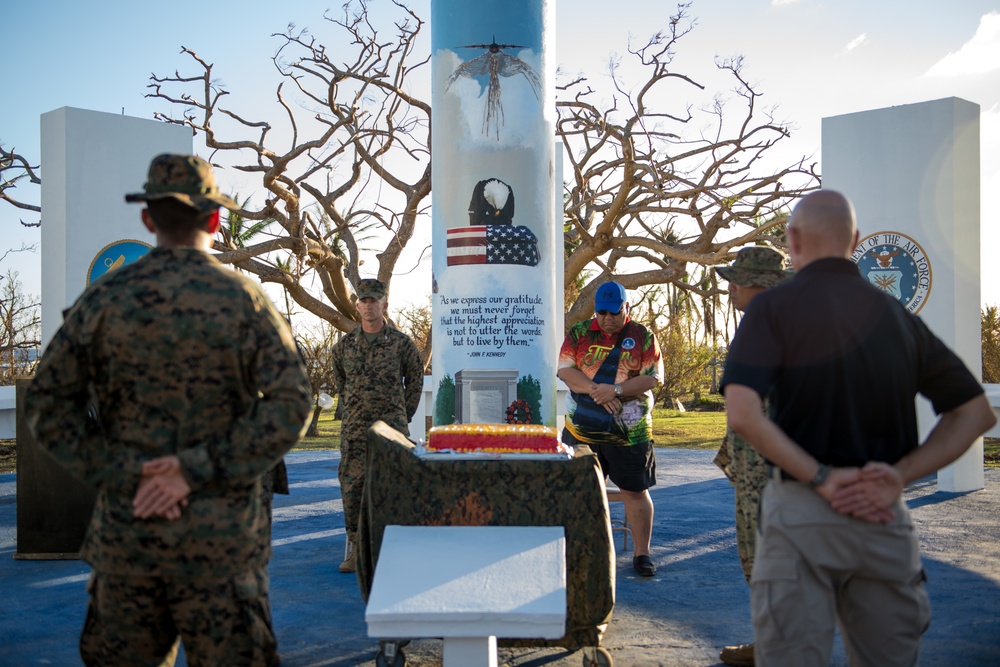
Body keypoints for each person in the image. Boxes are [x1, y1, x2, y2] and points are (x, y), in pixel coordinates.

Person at [24, 153, 312, 667]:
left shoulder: (104, 299)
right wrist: (193, 470)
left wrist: (127, 474)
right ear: (216, 219)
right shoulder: (245, 300)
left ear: (148, 219)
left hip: (128, 540)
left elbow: (46, 403)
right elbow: (292, 405)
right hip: (222, 551)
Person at [722, 190, 995, 666]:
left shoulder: (770, 310)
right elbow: (975, 413)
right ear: (855, 241)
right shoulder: (897, 317)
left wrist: (822, 479)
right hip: (881, 512)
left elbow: (743, 414)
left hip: (801, 513)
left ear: (792, 240)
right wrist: (900, 475)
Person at [712, 246, 792, 667]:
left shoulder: (767, 328)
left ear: (755, 284)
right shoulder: (778, 324)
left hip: (766, 470)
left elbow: (753, 409)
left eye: (736, 281)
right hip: (761, 465)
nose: (730, 290)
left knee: (766, 559)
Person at [558, 280, 664, 577]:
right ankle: (578, 552)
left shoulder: (643, 336)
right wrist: (598, 391)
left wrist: (615, 390)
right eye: (601, 312)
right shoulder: (579, 333)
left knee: (635, 491)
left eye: (613, 313)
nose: (606, 319)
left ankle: (642, 553)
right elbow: (565, 371)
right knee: (579, 492)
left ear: (626, 308)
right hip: (580, 433)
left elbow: (652, 379)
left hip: (629, 435)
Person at [330, 278, 423, 574]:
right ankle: (358, 549)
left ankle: (395, 548)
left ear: (385, 304)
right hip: (355, 432)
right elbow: (341, 385)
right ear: (357, 305)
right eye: (364, 301)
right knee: (353, 488)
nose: (369, 306)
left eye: (374, 300)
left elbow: (416, 382)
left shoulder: (401, 344)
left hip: (392, 430)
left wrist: (401, 415)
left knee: (395, 485)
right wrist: (355, 412)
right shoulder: (343, 348)